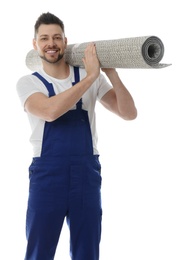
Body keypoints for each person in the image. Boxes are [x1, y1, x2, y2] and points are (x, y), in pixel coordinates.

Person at [16, 12, 137, 260]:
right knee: (39, 252)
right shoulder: (29, 83)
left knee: (87, 252)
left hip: (85, 177)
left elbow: (129, 113)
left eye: (57, 37)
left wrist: (110, 72)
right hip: (48, 177)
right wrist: (92, 76)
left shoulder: (90, 76)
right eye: (45, 38)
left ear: (65, 41)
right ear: (35, 44)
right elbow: (50, 112)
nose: (52, 43)